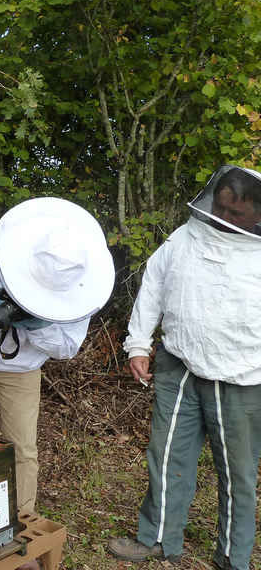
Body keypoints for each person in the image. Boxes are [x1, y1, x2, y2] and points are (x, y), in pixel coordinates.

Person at [0, 197, 114, 570]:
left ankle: (20, 524)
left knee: (23, 445)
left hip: (23, 364)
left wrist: (36, 324)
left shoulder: (84, 284)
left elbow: (67, 346)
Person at [108, 165, 261, 570]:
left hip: (242, 377)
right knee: (167, 454)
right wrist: (139, 343)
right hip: (180, 364)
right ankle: (157, 538)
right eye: (223, 207)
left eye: (238, 213)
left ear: (258, 214)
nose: (226, 218)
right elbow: (153, 284)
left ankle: (232, 556)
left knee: (238, 472)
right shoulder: (186, 235)